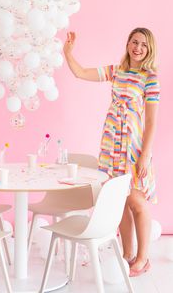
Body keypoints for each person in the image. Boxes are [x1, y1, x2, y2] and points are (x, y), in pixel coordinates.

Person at [63, 28, 160, 277]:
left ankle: (143, 258)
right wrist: (68, 53)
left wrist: (145, 155)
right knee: (119, 201)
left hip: (134, 147)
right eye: (135, 42)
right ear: (128, 43)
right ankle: (127, 255)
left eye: (144, 45)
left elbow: (150, 122)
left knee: (137, 200)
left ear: (149, 50)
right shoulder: (116, 71)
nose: (138, 48)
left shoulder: (149, 77)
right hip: (111, 145)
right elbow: (80, 72)